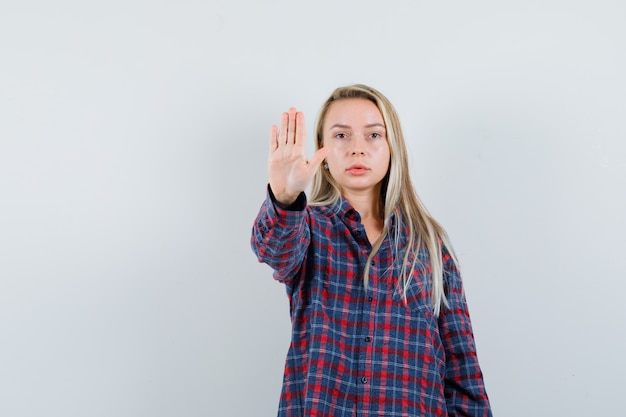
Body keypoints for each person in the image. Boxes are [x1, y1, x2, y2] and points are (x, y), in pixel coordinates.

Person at [250, 84, 492, 417]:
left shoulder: (429, 246)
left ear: (393, 147)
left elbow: (462, 371)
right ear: (321, 151)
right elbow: (274, 248)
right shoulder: (308, 228)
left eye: (373, 135)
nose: (357, 149)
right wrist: (285, 197)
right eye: (341, 136)